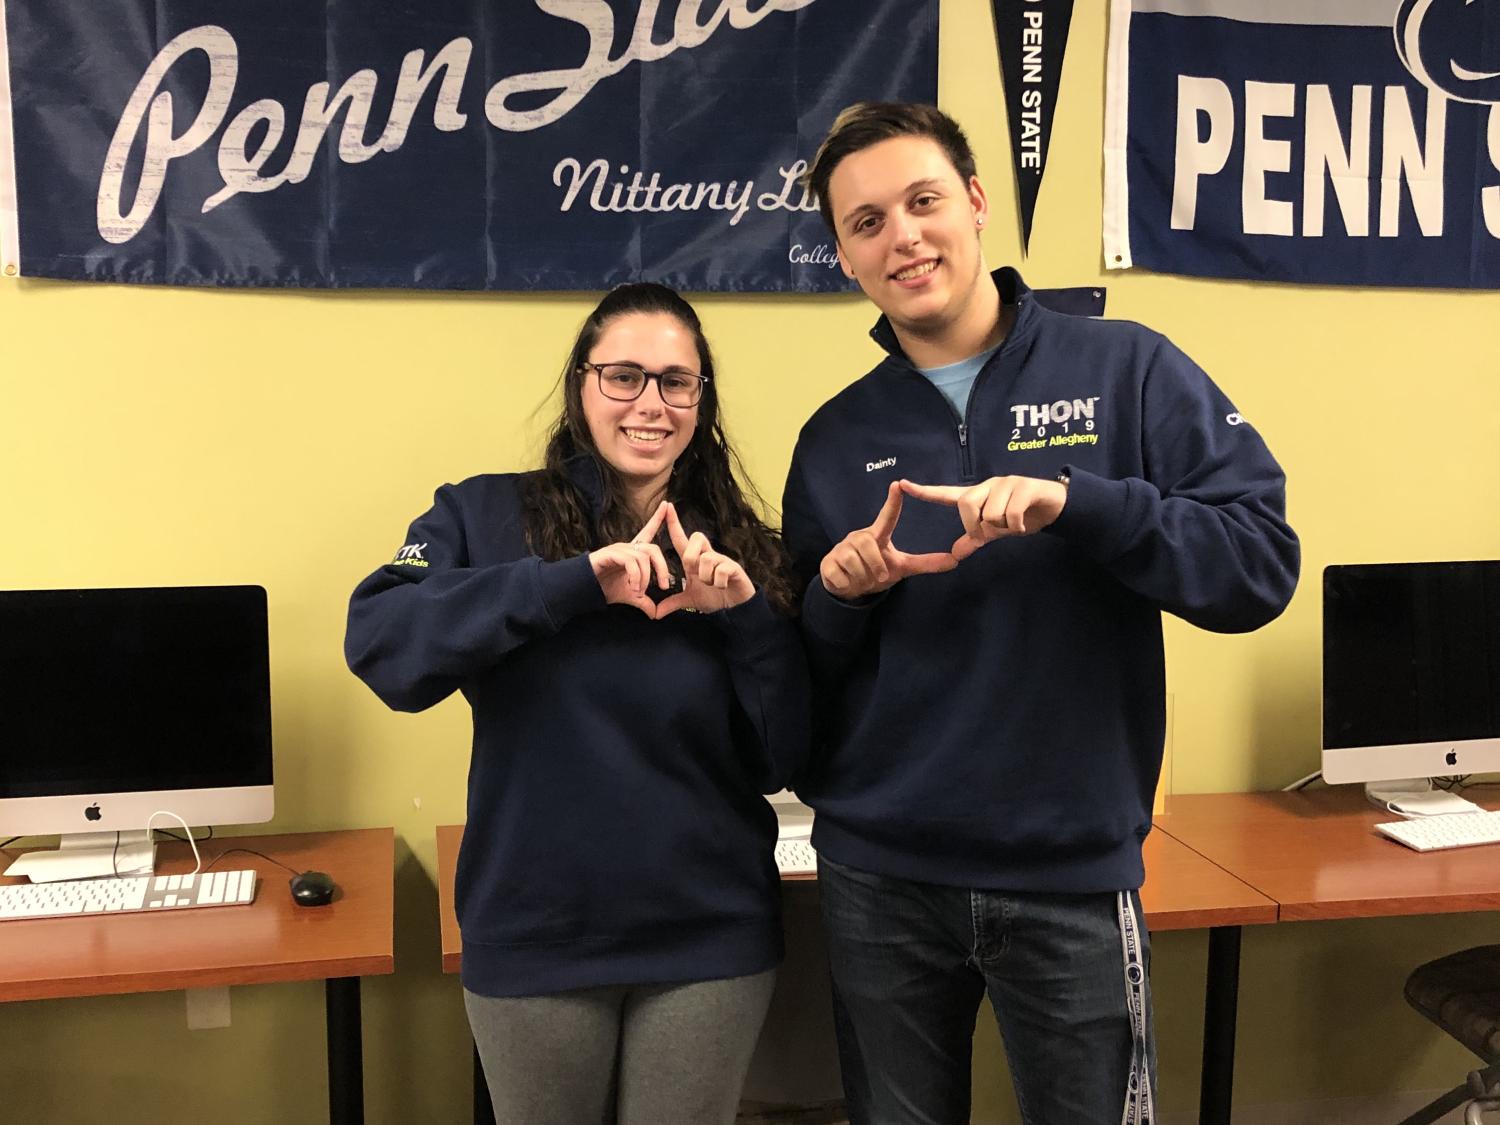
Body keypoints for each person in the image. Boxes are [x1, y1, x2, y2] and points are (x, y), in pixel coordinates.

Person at [781, 102, 1300, 1125]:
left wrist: (1083, 505)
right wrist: (839, 598)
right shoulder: (836, 437)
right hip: (878, 876)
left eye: (923, 202)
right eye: (867, 222)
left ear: (975, 205)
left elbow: (1258, 566)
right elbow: (801, 677)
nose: (904, 237)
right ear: (845, 255)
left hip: (1066, 874)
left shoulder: (1128, 368)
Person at [345, 282, 808, 1125]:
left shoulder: (742, 549)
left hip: (708, 938)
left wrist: (745, 618)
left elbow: (789, 755)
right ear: (581, 386)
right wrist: (574, 582)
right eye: (623, 376)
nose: (651, 403)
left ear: (701, 402)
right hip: (536, 933)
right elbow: (383, 648)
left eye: (677, 381)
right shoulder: (484, 515)